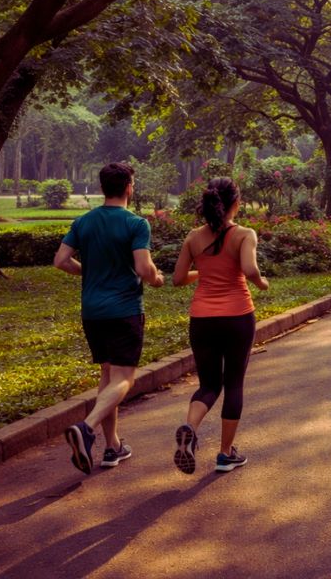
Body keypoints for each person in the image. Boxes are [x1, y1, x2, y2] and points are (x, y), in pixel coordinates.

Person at [54, 162, 164, 474]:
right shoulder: (136, 223)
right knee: (125, 378)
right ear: (130, 186)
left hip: (92, 312)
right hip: (124, 310)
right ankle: (87, 429)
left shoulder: (84, 221)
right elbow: (144, 269)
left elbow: (61, 260)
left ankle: (112, 446)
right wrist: (156, 279)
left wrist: (87, 271)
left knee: (108, 376)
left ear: (103, 188)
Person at [170, 177, 269, 474]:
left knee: (209, 384)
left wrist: (203, 273)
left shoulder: (193, 237)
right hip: (237, 316)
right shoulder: (244, 234)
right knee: (233, 383)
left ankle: (190, 427)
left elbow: (177, 279)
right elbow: (250, 269)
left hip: (202, 319)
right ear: (236, 204)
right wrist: (262, 283)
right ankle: (225, 454)